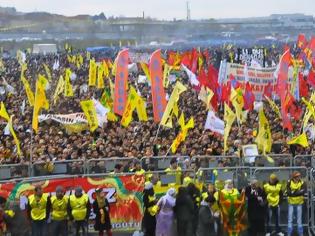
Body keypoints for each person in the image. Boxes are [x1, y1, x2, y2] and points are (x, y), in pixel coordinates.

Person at [287, 171, 307, 236]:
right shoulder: (289, 182)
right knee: (290, 220)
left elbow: (302, 192)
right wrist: (297, 192)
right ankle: (289, 233)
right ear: (294, 177)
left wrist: (293, 192)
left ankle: (300, 233)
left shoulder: (302, 183)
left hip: (299, 203)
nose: (298, 177)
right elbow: (288, 193)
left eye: (299, 176)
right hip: (291, 203)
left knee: (299, 221)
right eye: (297, 176)